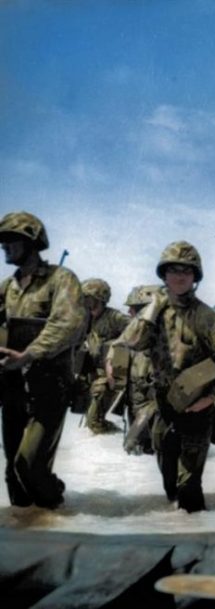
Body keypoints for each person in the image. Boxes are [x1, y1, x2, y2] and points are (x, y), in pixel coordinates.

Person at [112, 241, 215, 512]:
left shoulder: (205, 317)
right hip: (163, 407)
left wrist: (212, 398)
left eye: (186, 271)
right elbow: (129, 343)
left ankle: (199, 540)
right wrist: (152, 308)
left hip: (196, 410)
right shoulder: (152, 313)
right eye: (173, 270)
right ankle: (175, 534)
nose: (179, 276)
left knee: (189, 488)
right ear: (163, 275)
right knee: (168, 485)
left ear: (195, 277)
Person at [0, 211, 86, 508]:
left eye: (12, 240)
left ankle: (57, 516)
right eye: (3, 241)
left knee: (29, 464)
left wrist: (29, 354)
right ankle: (27, 538)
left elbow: (68, 323)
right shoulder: (7, 287)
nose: (5, 246)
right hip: (11, 386)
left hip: (49, 384)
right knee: (12, 473)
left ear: (32, 242)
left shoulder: (61, 279)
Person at [106, 284, 161, 454]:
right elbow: (118, 345)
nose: (129, 313)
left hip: (154, 400)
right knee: (137, 448)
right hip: (135, 396)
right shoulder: (133, 331)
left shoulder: (165, 334)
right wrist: (110, 362)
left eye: (134, 309)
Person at [81, 278, 131, 434]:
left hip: (113, 376)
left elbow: (137, 333)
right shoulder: (85, 319)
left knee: (93, 423)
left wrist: (114, 350)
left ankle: (116, 437)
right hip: (92, 374)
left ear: (100, 299)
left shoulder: (115, 317)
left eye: (88, 298)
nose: (85, 302)